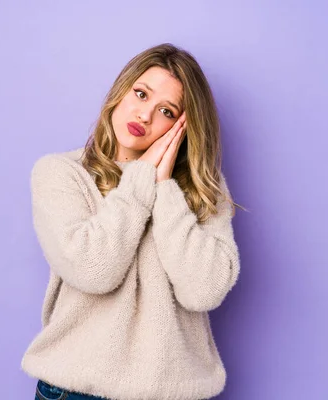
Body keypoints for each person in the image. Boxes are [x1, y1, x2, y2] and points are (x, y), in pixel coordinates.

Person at [21, 42, 241, 400]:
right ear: (120, 92)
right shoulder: (62, 174)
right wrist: (141, 178)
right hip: (77, 393)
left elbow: (204, 290)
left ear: (183, 128)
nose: (144, 115)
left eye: (166, 111)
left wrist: (165, 188)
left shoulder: (202, 190)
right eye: (140, 94)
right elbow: (94, 270)